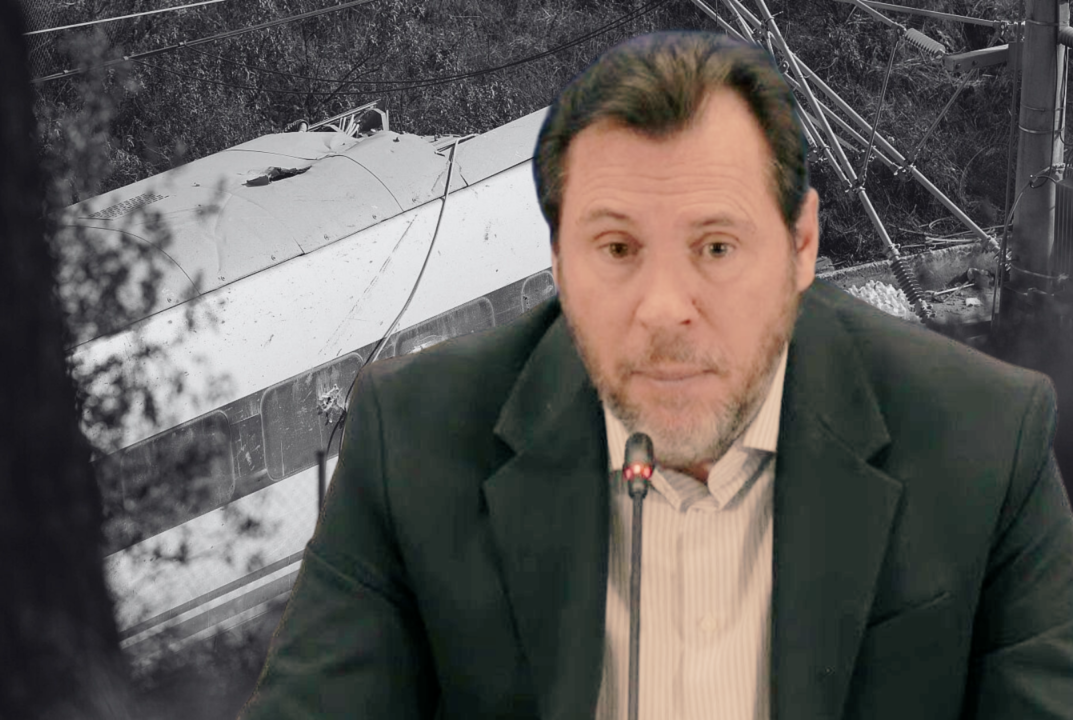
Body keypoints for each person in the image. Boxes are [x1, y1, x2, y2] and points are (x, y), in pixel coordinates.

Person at [238, 31, 1073, 720]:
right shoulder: (413, 440)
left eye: (716, 246)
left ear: (801, 247)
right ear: (559, 267)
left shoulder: (985, 440)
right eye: (617, 249)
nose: (665, 309)